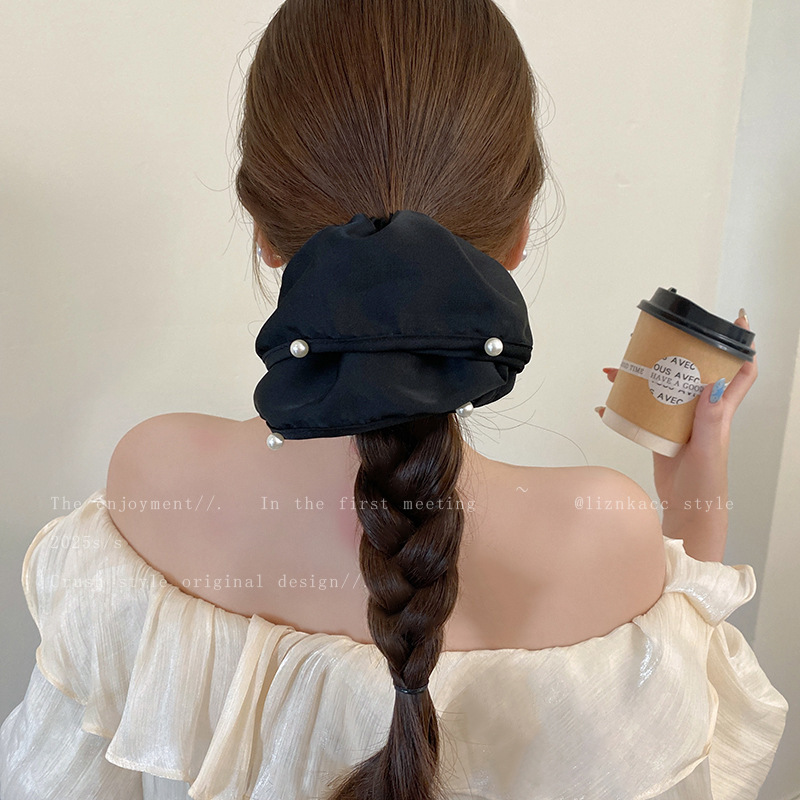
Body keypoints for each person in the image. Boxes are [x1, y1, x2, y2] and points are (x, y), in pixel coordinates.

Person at [0, 1, 787, 798]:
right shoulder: (602, 534)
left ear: (264, 230)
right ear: (518, 236)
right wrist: (696, 498)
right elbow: (678, 746)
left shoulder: (155, 475)